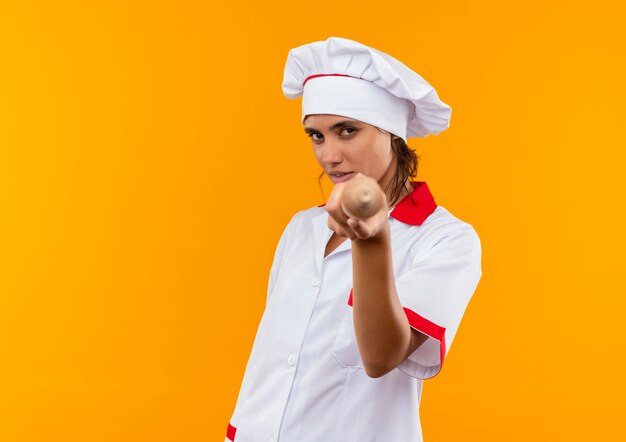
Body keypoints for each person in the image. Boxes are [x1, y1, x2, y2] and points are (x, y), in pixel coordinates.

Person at [224, 36, 482, 442]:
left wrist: (371, 239)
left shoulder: (445, 239)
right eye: (317, 135)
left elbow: (381, 357)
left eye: (347, 131)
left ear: (393, 135)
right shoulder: (301, 228)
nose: (329, 155)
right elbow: (273, 360)